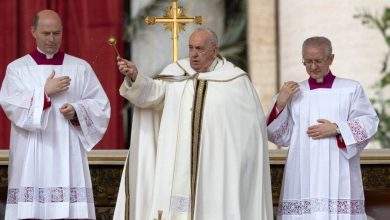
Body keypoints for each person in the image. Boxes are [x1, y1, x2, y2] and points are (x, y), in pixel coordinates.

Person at [113, 28, 273, 220]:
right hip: (177, 162)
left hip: (216, 166)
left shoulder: (236, 80)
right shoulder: (176, 72)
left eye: (200, 49)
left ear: (214, 51)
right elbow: (151, 94)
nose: (193, 55)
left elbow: (251, 128)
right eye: (190, 48)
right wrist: (134, 76)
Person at [0, 9, 110, 219]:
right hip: (32, 152)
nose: (51, 39)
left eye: (56, 33)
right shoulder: (17, 69)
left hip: (67, 152)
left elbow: (100, 106)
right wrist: (45, 93)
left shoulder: (80, 67)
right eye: (46, 33)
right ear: (33, 31)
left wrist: (76, 111)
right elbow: (10, 104)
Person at [267, 36, 379, 219]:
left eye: (318, 61)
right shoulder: (294, 93)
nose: (312, 67)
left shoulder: (351, 89)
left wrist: (337, 128)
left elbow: (369, 122)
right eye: (307, 61)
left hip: (340, 170)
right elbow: (279, 136)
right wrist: (280, 102)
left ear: (330, 59)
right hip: (302, 171)